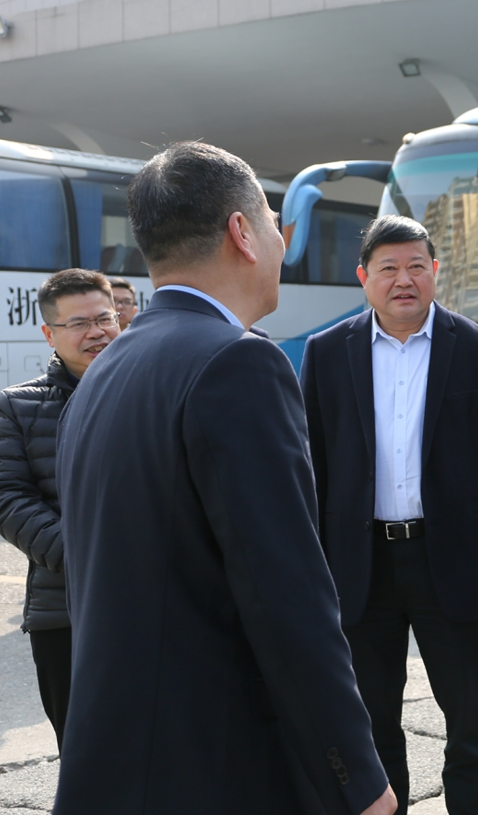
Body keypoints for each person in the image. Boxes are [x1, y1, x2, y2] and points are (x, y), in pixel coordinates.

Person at [54, 141, 396, 815]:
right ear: (241, 231)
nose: (280, 240)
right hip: (218, 763)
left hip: (120, 761)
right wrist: (356, 776)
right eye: (270, 219)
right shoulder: (238, 364)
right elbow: (286, 594)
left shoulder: (105, 371)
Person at [300, 215, 478, 815]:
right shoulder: (326, 352)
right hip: (360, 563)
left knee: (470, 717)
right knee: (370, 719)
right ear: (364, 277)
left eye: (415, 267)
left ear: (435, 272)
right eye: (388, 268)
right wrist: (312, 569)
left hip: (450, 561)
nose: (403, 280)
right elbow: (311, 466)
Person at [0, 269, 120, 747]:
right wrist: (90, 560)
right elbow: (10, 499)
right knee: (84, 751)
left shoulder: (156, 389)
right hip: (65, 612)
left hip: (161, 604)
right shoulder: (16, 407)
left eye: (104, 318)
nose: (96, 332)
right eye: (78, 324)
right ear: (49, 334)